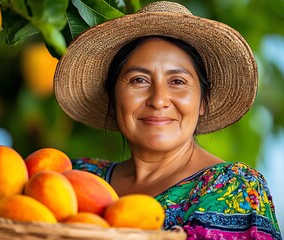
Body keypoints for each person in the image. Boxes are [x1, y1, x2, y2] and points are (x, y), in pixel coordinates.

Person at [54, 1, 282, 239]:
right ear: (113, 96)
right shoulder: (77, 177)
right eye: (138, 80)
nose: (159, 100)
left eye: (178, 82)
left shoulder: (232, 188)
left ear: (203, 101)